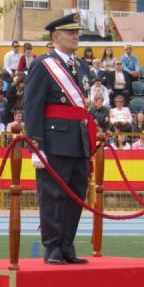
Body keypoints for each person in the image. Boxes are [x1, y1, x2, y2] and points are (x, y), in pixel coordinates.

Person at [24, 13, 92, 265]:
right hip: (54, 141)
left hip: (78, 140)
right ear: (55, 37)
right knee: (53, 196)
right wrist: (36, 146)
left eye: (77, 32)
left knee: (76, 196)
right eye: (70, 32)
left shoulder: (81, 66)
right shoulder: (43, 65)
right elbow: (33, 107)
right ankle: (52, 247)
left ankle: (66, 246)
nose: (76, 36)